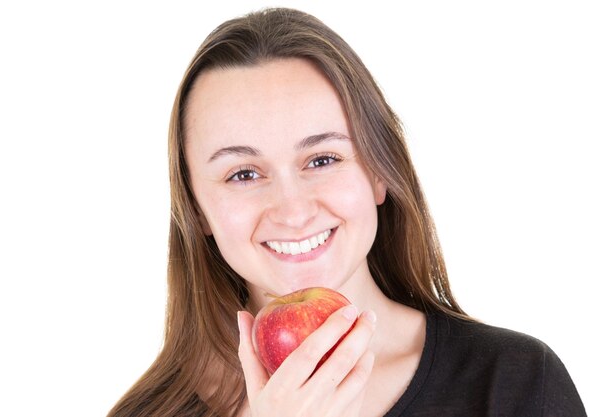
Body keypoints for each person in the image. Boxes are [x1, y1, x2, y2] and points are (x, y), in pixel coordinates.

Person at [107, 7, 586, 417]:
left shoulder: (516, 386)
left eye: (322, 160)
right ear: (197, 210)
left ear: (380, 172)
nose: (292, 211)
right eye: (243, 174)